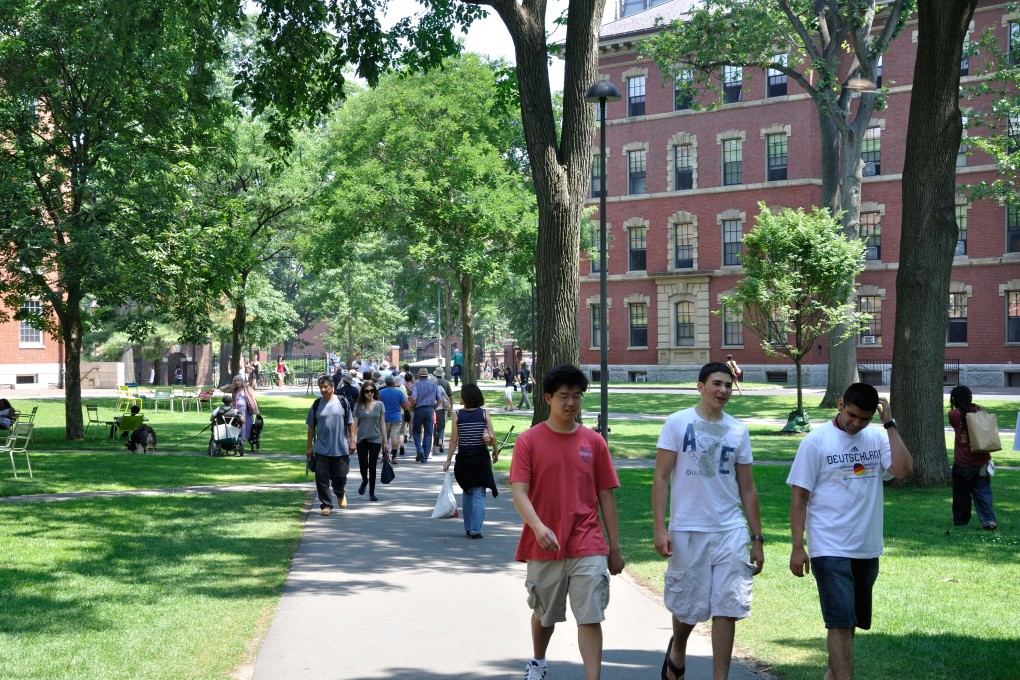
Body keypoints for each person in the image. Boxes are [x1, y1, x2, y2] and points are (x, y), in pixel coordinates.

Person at [787, 383, 913, 680]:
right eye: (853, 415)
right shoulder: (816, 442)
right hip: (829, 547)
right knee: (839, 622)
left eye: (865, 418)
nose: (857, 423)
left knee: (849, 622)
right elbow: (799, 496)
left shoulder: (878, 436)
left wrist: (889, 424)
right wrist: (797, 546)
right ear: (840, 404)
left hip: (866, 547)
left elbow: (904, 469)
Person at [509, 364, 624, 680]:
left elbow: (606, 496)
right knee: (544, 614)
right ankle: (538, 660)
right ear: (548, 398)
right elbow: (519, 491)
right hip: (544, 542)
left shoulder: (593, 442)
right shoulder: (529, 441)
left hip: (587, 541)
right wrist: (538, 526)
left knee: (590, 615)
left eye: (577, 396)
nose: (571, 402)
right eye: (563, 396)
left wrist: (615, 547)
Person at [652, 361, 764, 680]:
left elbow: (748, 488)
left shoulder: (738, 430)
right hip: (688, 528)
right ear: (700, 387)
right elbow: (660, 477)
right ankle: (679, 648)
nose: (723, 391)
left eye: (728, 385)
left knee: (727, 606)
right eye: (716, 384)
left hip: (730, 529)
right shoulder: (677, 423)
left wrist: (757, 538)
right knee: (688, 607)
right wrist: (660, 528)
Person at [443, 383, 499, 538]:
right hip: (481, 458)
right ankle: (475, 529)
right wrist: (495, 452)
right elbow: (492, 436)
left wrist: (448, 460)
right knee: (479, 494)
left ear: (466, 397)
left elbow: (454, 440)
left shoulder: (457, 415)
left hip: (464, 459)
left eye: (461, 394)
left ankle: (468, 527)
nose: (459, 397)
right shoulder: (484, 413)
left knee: (467, 492)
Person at [948, 385, 997, 530]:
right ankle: (989, 520)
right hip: (982, 460)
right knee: (983, 492)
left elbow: (955, 420)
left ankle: (961, 521)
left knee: (961, 494)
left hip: (963, 462)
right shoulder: (979, 411)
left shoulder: (954, 414)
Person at [306, 376, 356, 516]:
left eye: (326, 387)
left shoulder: (342, 402)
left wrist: (352, 441)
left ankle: (340, 493)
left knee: (340, 477)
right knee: (321, 478)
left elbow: (351, 423)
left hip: (340, 448)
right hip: (321, 449)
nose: (323, 389)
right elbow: (311, 427)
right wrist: (309, 447)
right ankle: (326, 505)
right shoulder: (316, 404)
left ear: (332, 387)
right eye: (321, 387)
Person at [353, 380, 387, 502]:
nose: (369, 393)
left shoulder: (380, 405)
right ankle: (364, 480)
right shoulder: (358, 406)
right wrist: (352, 439)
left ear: (374, 391)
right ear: (363, 392)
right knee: (363, 465)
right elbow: (355, 424)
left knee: (372, 466)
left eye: (371, 391)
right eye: (367, 391)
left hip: (375, 439)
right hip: (362, 439)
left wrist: (385, 442)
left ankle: (372, 493)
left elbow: (382, 423)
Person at [409, 367, 441, 462]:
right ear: (427, 375)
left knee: (416, 431)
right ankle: (425, 457)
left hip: (419, 409)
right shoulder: (434, 385)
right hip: (430, 409)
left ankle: (419, 449)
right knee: (428, 433)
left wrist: (412, 406)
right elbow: (439, 399)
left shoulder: (416, 385)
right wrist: (434, 408)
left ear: (419, 375)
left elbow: (414, 398)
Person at [219, 375, 259, 445]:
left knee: (249, 429)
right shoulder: (234, 389)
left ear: (242, 381)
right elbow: (221, 389)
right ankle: (240, 443)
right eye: (235, 381)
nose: (236, 382)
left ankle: (252, 445)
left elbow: (253, 399)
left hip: (247, 412)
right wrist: (231, 385)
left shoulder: (247, 388)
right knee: (238, 427)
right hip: (237, 412)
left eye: (238, 380)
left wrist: (257, 410)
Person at [379, 375, 409, 464]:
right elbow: (404, 405)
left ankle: (385, 455)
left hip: (384, 418)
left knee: (384, 437)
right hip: (396, 417)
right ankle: (394, 457)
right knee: (395, 437)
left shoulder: (380, 392)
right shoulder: (398, 393)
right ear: (393, 383)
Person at [433, 367, 453, 454]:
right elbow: (450, 397)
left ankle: (434, 445)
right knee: (441, 427)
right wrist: (450, 408)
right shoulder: (445, 383)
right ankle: (440, 440)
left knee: (434, 427)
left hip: (433, 408)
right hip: (442, 409)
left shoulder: (432, 383)